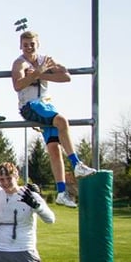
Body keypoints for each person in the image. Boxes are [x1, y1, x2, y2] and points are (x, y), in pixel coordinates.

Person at [12, 30, 97, 207]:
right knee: (62, 121)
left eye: (32, 44)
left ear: (38, 44)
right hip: (30, 105)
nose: (28, 47)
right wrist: (35, 74)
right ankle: (76, 164)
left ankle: (61, 192)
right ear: (21, 46)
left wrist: (40, 73)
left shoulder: (45, 60)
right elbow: (18, 85)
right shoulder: (19, 62)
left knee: (53, 147)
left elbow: (66, 76)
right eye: (25, 44)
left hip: (46, 105)